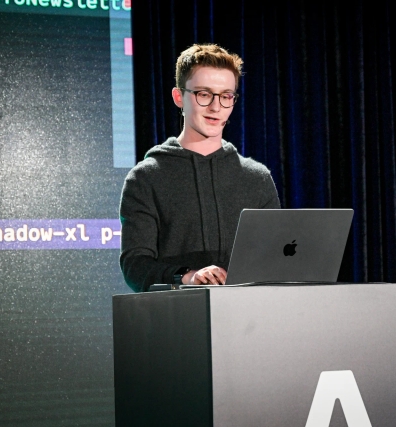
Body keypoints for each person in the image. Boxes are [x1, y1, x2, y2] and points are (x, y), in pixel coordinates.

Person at [119, 43, 281, 292]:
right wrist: (188, 276)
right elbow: (135, 266)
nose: (216, 107)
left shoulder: (257, 178)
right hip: (180, 321)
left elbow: (276, 260)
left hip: (250, 321)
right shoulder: (145, 178)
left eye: (226, 96)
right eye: (204, 94)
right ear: (178, 97)